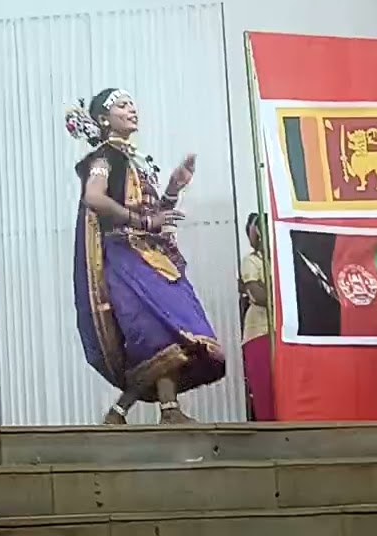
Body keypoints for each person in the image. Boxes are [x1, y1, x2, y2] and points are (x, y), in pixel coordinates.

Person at [65, 88, 225, 425]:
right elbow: (94, 197)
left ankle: (119, 412)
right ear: (104, 119)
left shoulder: (136, 161)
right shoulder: (103, 159)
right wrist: (142, 222)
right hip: (125, 255)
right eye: (122, 106)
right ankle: (167, 411)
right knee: (156, 331)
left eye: (132, 104)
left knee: (173, 328)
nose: (132, 109)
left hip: (151, 255)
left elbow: (154, 216)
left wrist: (174, 188)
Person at [239, 212, 274, 421]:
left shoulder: (280, 259)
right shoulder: (251, 261)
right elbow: (258, 295)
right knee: (264, 389)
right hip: (259, 331)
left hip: (281, 331)